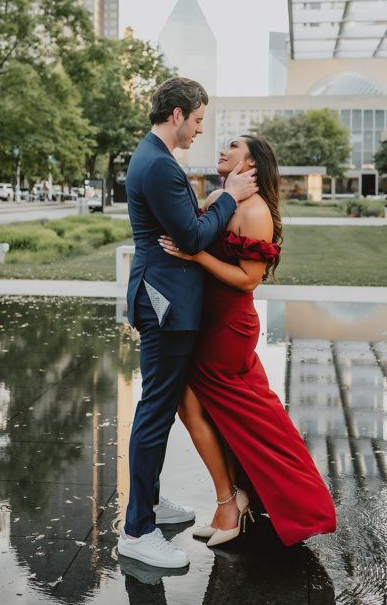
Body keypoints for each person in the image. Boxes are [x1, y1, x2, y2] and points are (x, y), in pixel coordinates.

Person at [160, 135, 337, 548]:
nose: (222, 149)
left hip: (228, 328)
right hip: (207, 322)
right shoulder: (226, 199)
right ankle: (232, 498)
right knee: (207, 410)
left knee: (226, 412)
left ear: (252, 163)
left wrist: (195, 256)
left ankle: (239, 503)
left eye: (233, 146)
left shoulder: (255, 211)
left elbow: (248, 279)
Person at [118, 78, 258, 569]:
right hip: (165, 304)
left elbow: (182, 227)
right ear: (177, 114)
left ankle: (150, 504)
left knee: (159, 407)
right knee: (155, 412)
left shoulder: (156, 159)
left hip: (165, 299)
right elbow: (194, 237)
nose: (201, 129)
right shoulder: (157, 163)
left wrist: (204, 208)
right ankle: (137, 530)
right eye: (198, 120)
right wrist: (228, 194)